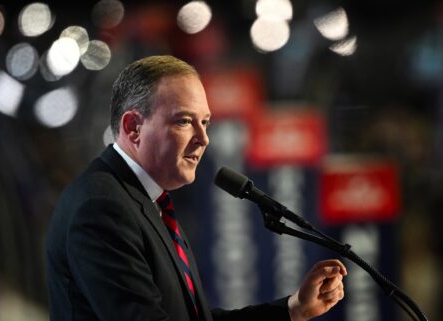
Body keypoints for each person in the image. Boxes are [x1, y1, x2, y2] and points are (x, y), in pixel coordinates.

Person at [45, 55, 347, 321]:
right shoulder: (102, 208)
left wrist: (294, 309)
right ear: (133, 127)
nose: (204, 139)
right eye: (184, 121)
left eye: (206, 122)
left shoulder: (145, 202)